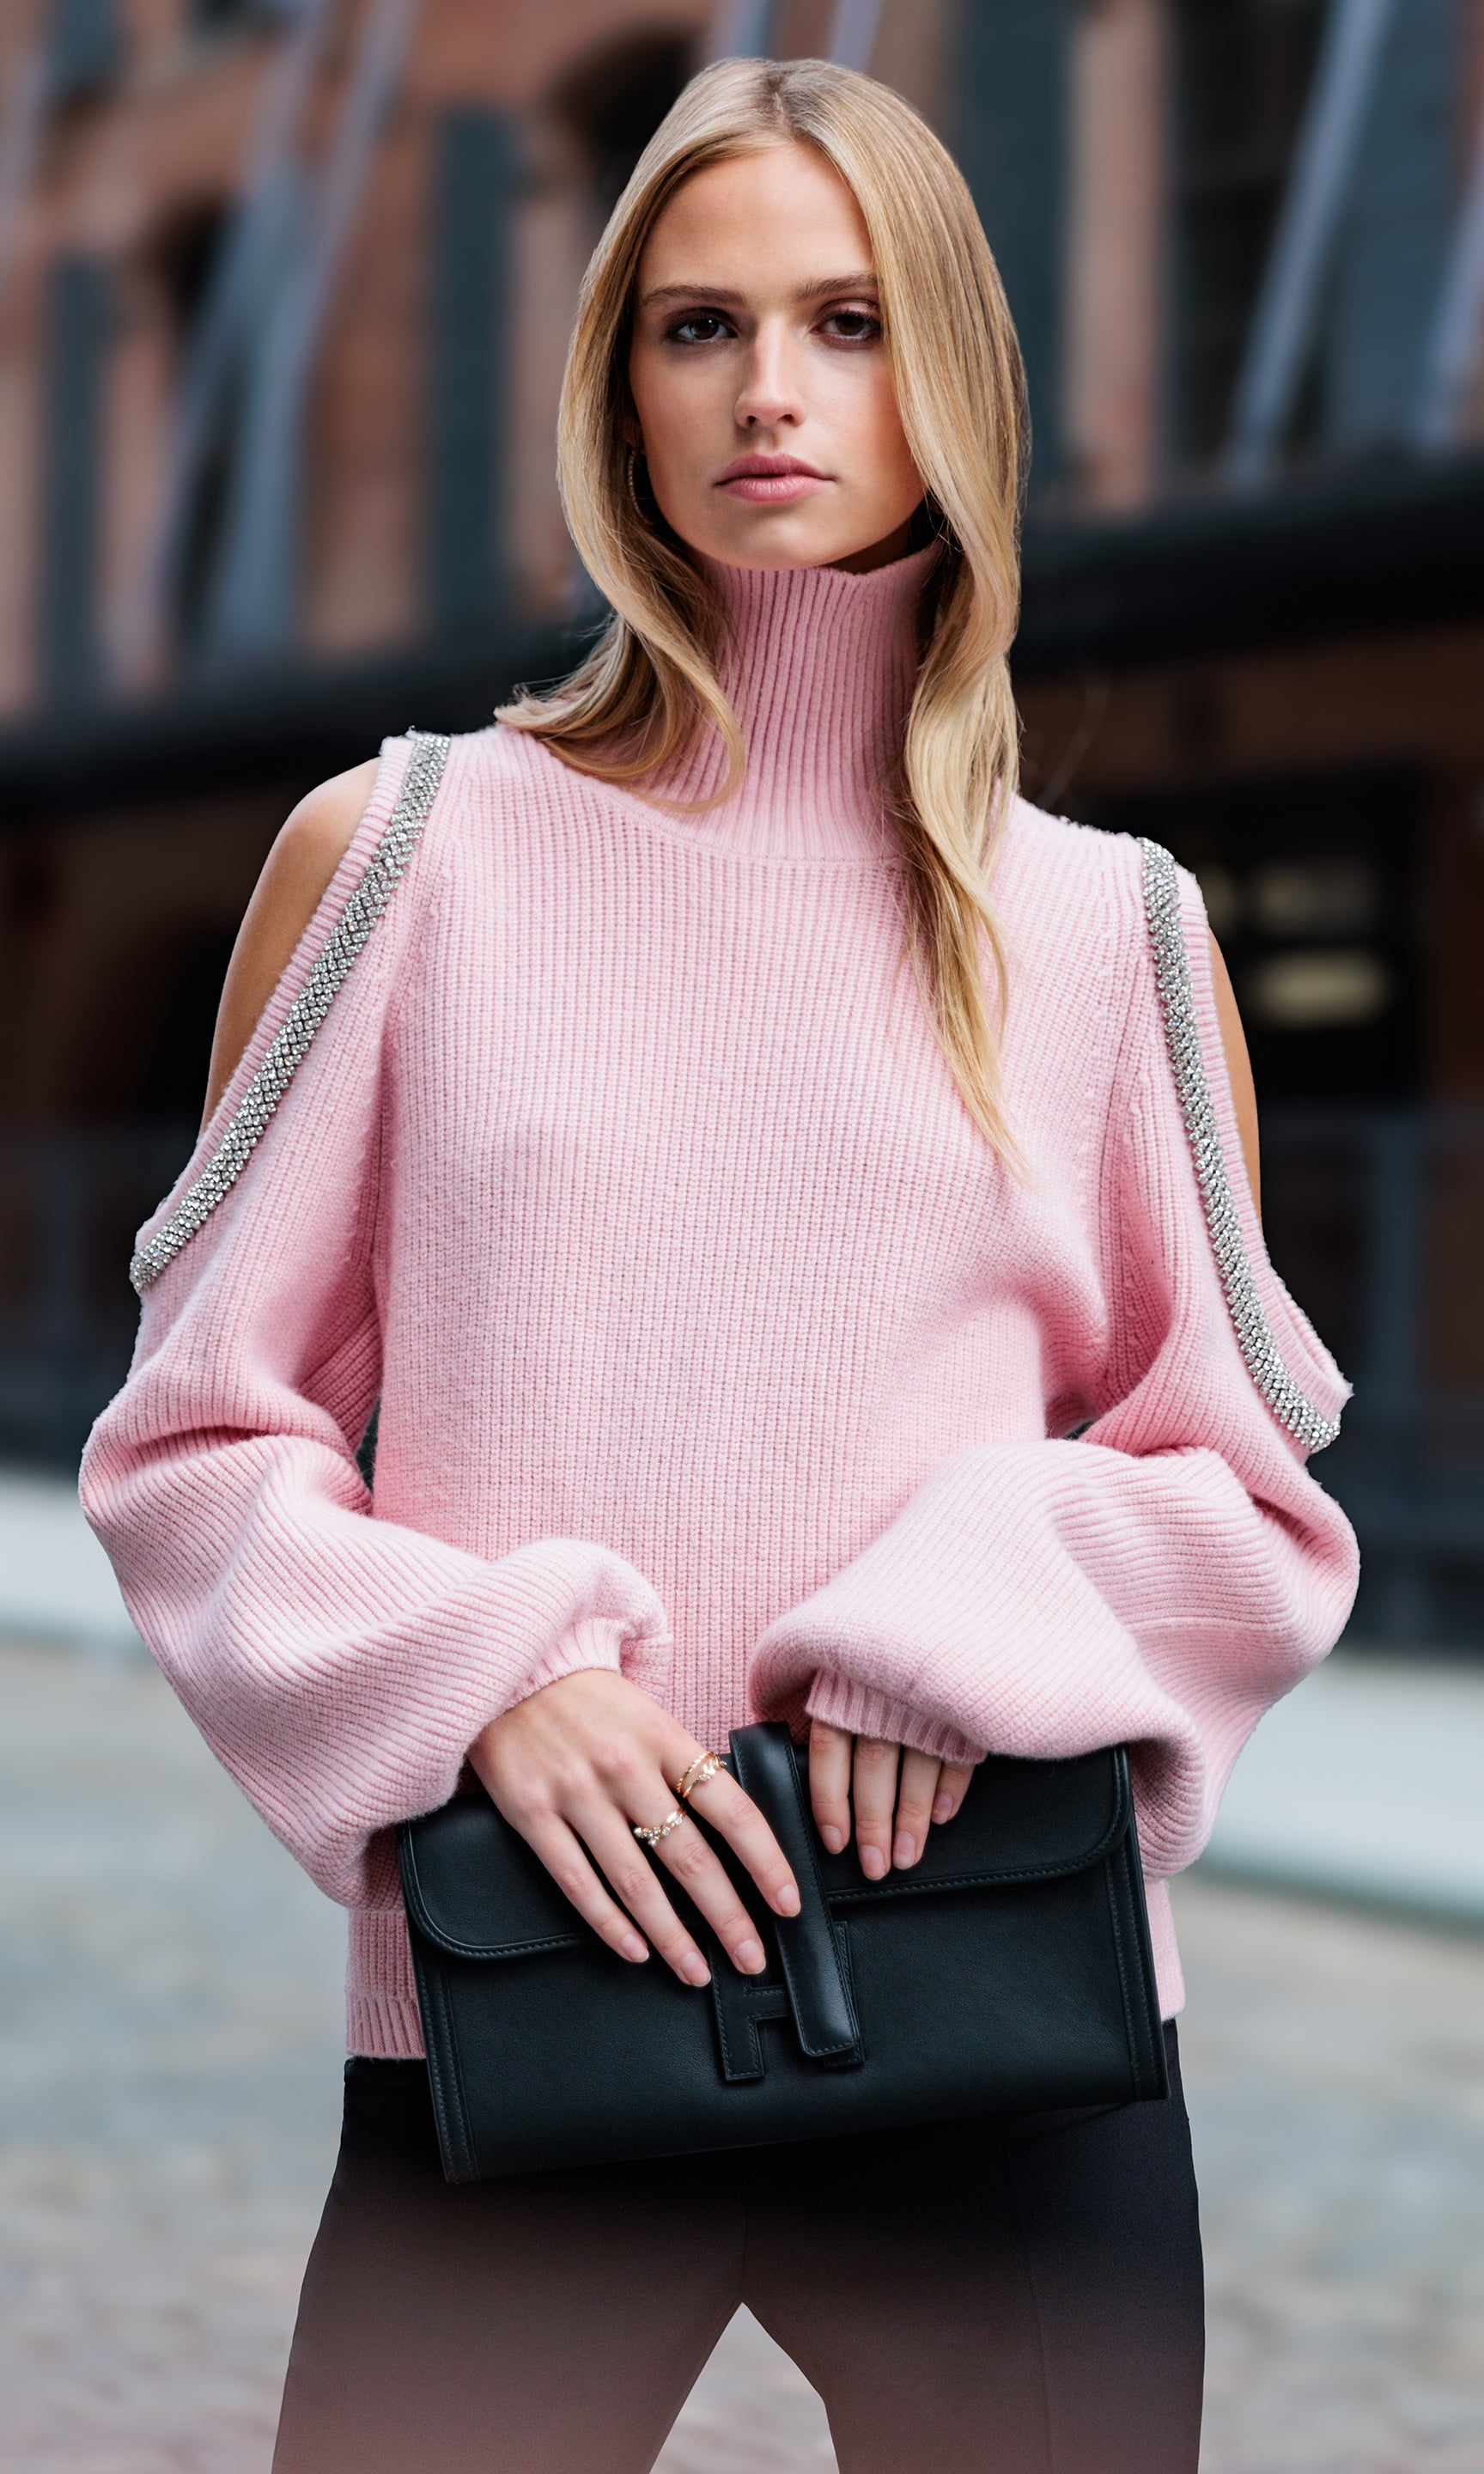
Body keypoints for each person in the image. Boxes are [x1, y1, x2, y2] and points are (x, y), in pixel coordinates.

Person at [81, 55, 1359, 2474]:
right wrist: (480, 1680)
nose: (771, 389)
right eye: (698, 326)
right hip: (519, 1996)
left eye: (849, 320)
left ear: (951, 371)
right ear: (617, 387)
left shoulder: (1119, 933)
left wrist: (969, 1597)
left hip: (1007, 2015)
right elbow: (189, 1436)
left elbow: (1252, 1501)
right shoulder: (405, 852)